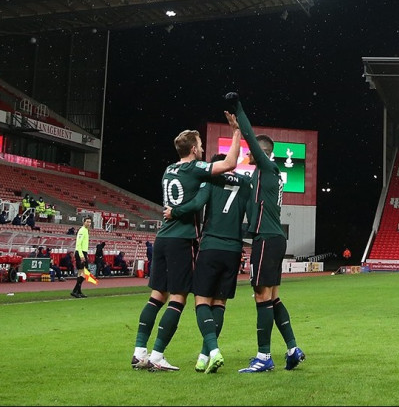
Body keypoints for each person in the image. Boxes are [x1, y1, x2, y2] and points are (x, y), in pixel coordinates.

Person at [131, 125, 238, 372]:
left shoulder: (168, 169)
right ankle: (158, 355)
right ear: (193, 149)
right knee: (178, 298)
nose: (202, 149)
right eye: (200, 145)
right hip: (182, 240)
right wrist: (236, 133)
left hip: (162, 238)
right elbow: (230, 163)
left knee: (156, 297)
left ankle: (139, 352)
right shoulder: (195, 168)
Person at [226, 93, 306, 373]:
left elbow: (250, 137)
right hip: (273, 238)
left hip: (266, 238)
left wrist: (238, 110)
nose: (247, 155)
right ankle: (293, 349)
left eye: (251, 152)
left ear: (260, 152)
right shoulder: (262, 175)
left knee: (261, 297)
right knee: (272, 297)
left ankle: (263, 357)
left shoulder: (267, 166)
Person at [164, 148, 253, 374]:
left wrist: (175, 212)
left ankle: (213, 351)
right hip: (234, 249)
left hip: (211, 245)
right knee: (220, 303)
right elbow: (252, 217)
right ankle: (203, 357)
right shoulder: (246, 183)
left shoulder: (211, 179)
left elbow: (197, 204)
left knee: (201, 300)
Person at [71, 216, 93, 299]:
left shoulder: (86, 230)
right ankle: (75, 290)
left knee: (81, 272)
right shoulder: (82, 230)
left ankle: (78, 291)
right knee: (84, 272)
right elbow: (78, 244)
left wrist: (85, 254)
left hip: (83, 252)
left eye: (90, 222)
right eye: (87, 222)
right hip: (80, 252)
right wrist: (81, 255)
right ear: (84, 222)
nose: (89, 223)